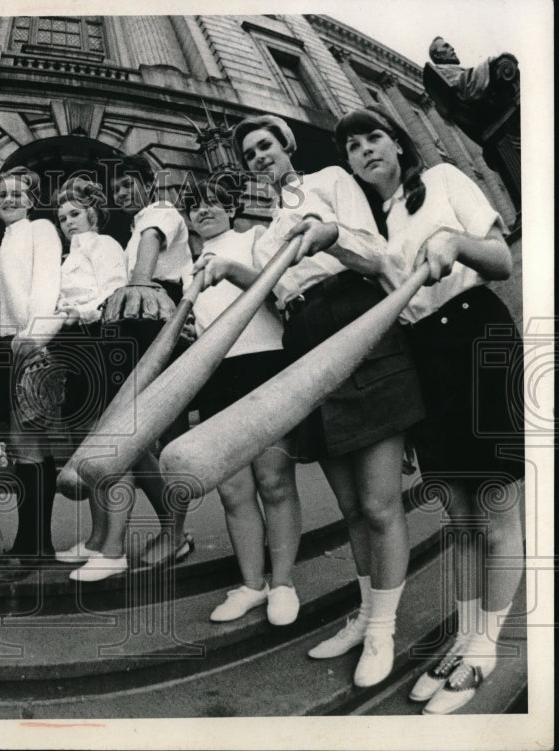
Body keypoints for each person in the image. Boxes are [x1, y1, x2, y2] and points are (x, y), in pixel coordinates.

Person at [334, 105, 524, 714]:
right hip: (420, 357)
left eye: (374, 136)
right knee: (459, 516)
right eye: (353, 146)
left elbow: (501, 261)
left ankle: (485, 648)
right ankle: (467, 636)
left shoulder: (443, 180)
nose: (365, 150)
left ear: (396, 142)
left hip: (475, 337)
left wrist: (454, 241)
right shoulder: (370, 225)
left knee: (494, 508)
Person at [228, 114, 425, 687]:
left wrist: (329, 235)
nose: (260, 157)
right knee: (350, 506)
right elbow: (276, 296)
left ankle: (384, 626)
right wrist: (227, 270)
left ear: (286, 147)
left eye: (266, 145)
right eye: (249, 154)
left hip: (355, 315)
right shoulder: (266, 232)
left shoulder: (332, 180)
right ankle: (365, 615)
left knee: (381, 501)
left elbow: (375, 255)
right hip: (305, 339)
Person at [66, 155, 194, 582]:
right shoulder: (131, 229)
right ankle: (120, 536)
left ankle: (162, 533)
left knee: (126, 435)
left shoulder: (158, 214)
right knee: (127, 440)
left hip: (150, 324)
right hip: (134, 327)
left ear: (149, 182)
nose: (123, 192)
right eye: (117, 188)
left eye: (129, 184)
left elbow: (150, 249)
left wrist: (138, 284)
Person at [186, 178, 303, 626]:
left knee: (274, 480)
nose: (204, 210)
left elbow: (278, 292)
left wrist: (231, 268)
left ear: (231, 207)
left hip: (265, 365)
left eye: (213, 201)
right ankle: (252, 584)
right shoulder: (189, 267)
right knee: (233, 488)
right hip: (219, 374)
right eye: (195, 207)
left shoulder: (252, 238)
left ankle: (284, 583)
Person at [48, 177, 131, 571]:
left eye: (75, 213)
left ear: (93, 211)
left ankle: (114, 549)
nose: (68, 222)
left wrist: (77, 312)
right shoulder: (66, 257)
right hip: (72, 345)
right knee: (86, 446)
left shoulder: (105, 244)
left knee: (110, 447)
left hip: (101, 340)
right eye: (62, 217)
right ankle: (97, 539)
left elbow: (114, 293)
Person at [0, 167, 63, 583]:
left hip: (28, 343)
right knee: (18, 446)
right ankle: (32, 543)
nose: (9, 200)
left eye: (18, 194)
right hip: (2, 344)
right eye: (2, 194)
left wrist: (34, 341)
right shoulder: (5, 239)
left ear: (32, 201)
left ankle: (33, 546)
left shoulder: (41, 231)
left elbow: (46, 288)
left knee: (30, 443)